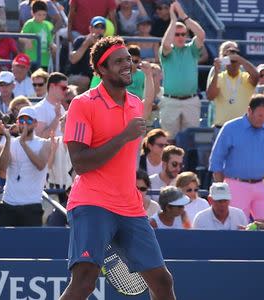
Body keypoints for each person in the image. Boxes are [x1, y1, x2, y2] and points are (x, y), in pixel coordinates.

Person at [59, 36, 175, 300]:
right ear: (101, 69)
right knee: (85, 281)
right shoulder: (83, 104)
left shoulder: (134, 103)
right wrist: (123, 136)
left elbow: (145, 104)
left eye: (128, 60)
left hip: (129, 205)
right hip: (92, 202)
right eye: (119, 61)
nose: (127, 65)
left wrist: (151, 81)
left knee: (162, 281)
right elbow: (80, 162)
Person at [209, 94, 264, 221]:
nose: (263, 119)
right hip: (236, 185)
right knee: (238, 227)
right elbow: (216, 160)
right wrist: (222, 188)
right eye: (260, 115)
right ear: (249, 111)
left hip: (263, 186)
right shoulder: (230, 128)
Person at [0, 106, 51, 226]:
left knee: (31, 245)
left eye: (29, 121)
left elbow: (40, 164)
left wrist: (23, 144)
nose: (25, 124)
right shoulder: (11, 143)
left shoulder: (43, 143)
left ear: (35, 123)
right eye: (21, 121)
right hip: (8, 204)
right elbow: (2, 166)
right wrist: (7, 140)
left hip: (31, 206)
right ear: (17, 123)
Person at [159, 1, 205, 139]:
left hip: (190, 101)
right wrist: (173, 20)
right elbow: (166, 44)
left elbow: (201, 34)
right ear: (172, 34)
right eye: (177, 34)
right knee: (168, 141)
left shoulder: (191, 49)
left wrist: (183, 16)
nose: (180, 37)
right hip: (170, 101)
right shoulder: (167, 51)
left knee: (190, 142)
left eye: (183, 34)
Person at [206, 41, 259, 133]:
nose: (232, 64)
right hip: (222, 128)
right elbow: (210, 96)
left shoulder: (246, 77)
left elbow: (256, 77)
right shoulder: (219, 77)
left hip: (243, 128)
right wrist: (217, 71)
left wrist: (240, 59)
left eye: (234, 61)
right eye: (229, 60)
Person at [68, 16, 106, 93]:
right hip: (78, 75)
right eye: (96, 27)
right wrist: (86, 44)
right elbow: (73, 59)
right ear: (90, 29)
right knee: (85, 81)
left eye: (102, 28)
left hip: (97, 76)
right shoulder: (80, 40)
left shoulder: (106, 45)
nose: (99, 30)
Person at [20, 0, 55, 71]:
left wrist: (53, 46)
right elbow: (21, 37)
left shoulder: (46, 25)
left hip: (44, 60)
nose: (42, 17)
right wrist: (27, 41)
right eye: (39, 14)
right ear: (33, 13)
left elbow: (49, 40)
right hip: (32, 59)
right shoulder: (29, 23)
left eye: (44, 15)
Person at [34, 72, 68, 138]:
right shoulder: (40, 108)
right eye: (63, 88)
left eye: (67, 88)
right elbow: (40, 137)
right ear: (52, 86)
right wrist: (57, 117)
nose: (66, 91)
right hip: (49, 148)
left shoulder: (61, 107)